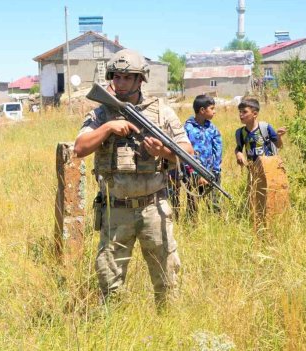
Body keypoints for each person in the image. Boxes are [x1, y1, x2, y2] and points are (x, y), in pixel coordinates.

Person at [73, 49, 194, 306]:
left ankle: (168, 330)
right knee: (109, 282)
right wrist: (108, 128)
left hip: (154, 207)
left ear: (141, 80)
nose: (120, 82)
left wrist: (164, 151)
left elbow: (188, 152)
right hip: (115, 210)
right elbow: (80, 148)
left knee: (167, 279)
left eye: (128, 77)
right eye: (116, 76)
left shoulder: (161, 112)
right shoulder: (100, 114)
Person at [179, 95, 223, 215]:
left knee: (214, 202)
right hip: (193, 173)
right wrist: (196, 173)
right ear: (202, 110)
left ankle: (216, 224)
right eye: (212, 108)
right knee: (193, 203)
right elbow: (185, 153)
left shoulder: (212, 128)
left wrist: (216, 169)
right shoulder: (187, 129)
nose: (214, 111)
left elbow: (218, 149)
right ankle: (192, 227)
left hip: (212, 172)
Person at [234, 97, 286, 166]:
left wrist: (278, 137)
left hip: (269, 167)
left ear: (255, 114)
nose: (241, 114)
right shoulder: (240, 132)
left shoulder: (265, 128)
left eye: (244, 112)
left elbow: (279, 146)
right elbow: (238, 148)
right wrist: (238, 154)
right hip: (252, 170)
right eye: (240, 111)